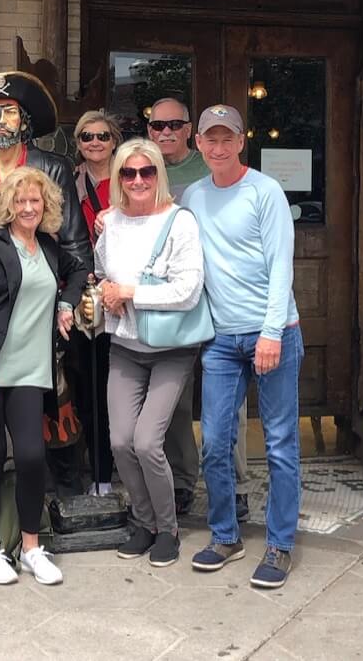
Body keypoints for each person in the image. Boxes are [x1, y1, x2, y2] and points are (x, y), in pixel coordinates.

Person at [0, 71, 92, 511]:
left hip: (42, 296)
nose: (1, 121)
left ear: (24, 118)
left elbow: (73, 241)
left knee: (56, 391)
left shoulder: (52, 167)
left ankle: (65, 483)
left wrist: (71, 296)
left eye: (9, 111)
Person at [186, 104, 303, 589]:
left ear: (240, 142)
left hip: (273, 331)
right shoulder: (193, 195)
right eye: (209, 138)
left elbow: (282, 264)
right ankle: (225, 534)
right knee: (214, 441)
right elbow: (157, 221)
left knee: (278, 443)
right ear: (198, 144)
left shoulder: (265, 191)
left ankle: (279, 544)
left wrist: (272, 331)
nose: (217, 147)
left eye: (226, 138)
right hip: (220, 338)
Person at [0, 167, 88, 585]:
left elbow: (78, 273)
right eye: (21, 201)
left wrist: (67, 305)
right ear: (7, 206)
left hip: (33, 372)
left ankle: (32, 548)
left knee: (33, 458)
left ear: (46, 204)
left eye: (36, 200)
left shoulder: (50, 248)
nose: (29, 207)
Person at [94, 138, 205, 568]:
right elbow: (102, 272)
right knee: (121, 441)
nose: (138, 180)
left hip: (170, 347)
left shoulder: (180, 222)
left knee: (147, 442)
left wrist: (130, 293)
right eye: (128, 172)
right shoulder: (113, 223)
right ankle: (143, 522)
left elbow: (188, 289)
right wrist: (105, 291)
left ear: (159, 174)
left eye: (146, 171)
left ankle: (168, 528)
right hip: (125, 345)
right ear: (119, 177)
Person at [147, 98, 250, 522]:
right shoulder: (143, 168)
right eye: (158, 125)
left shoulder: (210, 169)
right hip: (175, 304)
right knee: (174, 402)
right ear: (148, 129)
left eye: (175, 124)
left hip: (222, 301)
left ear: (191, 131)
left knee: (230, 405)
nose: (166, 131)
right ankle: (183, 482)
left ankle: (237, 485)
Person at [72, 110, 123, 496]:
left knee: (115, 387)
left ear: (114, 140)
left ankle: (115, 469)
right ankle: (95, 471)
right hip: (80, 295)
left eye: (102, 136)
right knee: (84, 386)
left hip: (120, 296)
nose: (94, 142)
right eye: (86, 136)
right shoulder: (68, 183)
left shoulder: (132, 178)